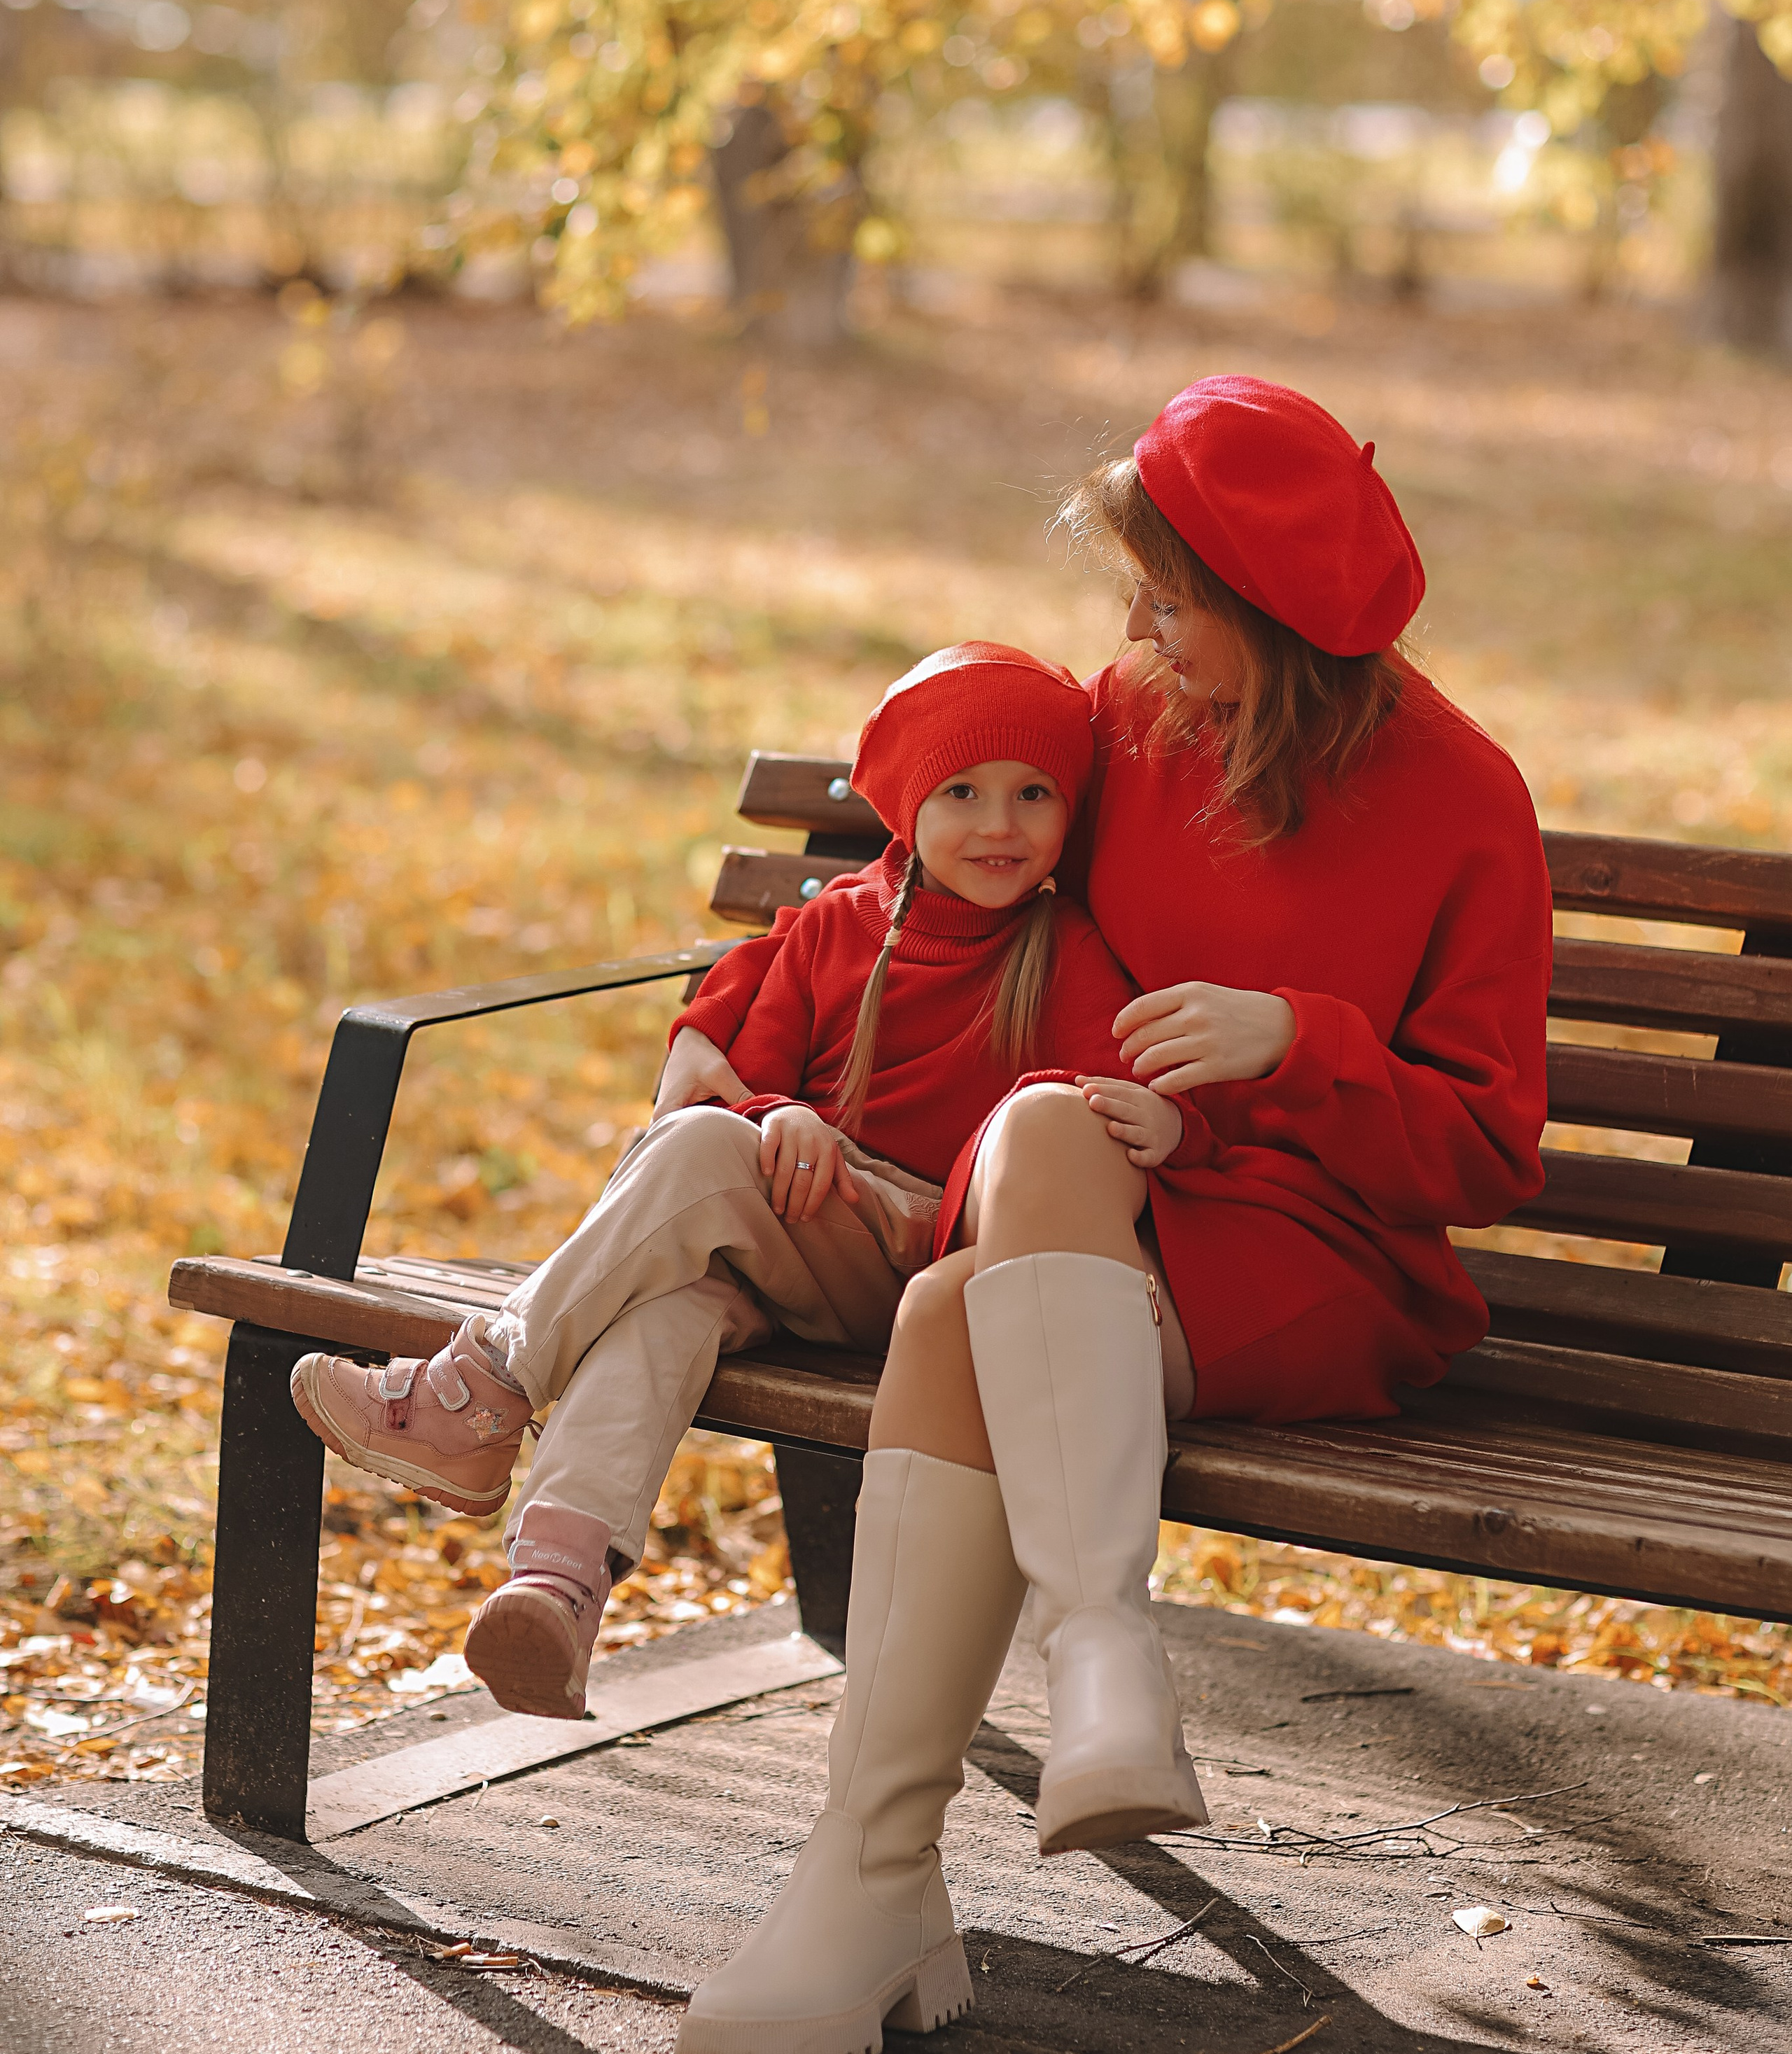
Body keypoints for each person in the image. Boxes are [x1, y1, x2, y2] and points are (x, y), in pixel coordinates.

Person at [666, 374, 1553, 2054]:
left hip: (1309, 1257)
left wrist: (1297, 1042)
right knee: (1025, 1173)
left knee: (957, 1307)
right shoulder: (1127, 723)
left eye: (1168, 595)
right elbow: (914, 883)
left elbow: (1484, 1153)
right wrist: (727, 1019)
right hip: (1089, 1201)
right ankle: (1081, 1677)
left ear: (1273, 613)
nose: (1131, 623)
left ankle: (874, 1885)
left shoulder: (1460, 800)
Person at [288, 641, 1191, 1730]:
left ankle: (477, 1390)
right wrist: (780, 1114)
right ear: (907, 804)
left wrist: (1168, 1119)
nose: (1000, 826)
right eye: (962, 793)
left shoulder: (1067, 950)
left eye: (1033, 795)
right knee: (665, 1311)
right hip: (790, 1251)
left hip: (930, 1271)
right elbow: (734, 1080)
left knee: (700, 1155)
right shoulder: (835, 927)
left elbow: (1091, 1129)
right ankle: (558, 1586)